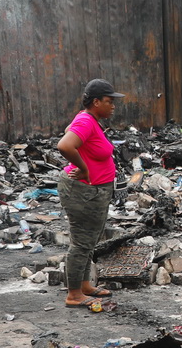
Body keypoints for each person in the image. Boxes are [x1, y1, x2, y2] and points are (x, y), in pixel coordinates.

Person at [57, 79, 124, 308]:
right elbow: (65, 145)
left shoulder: (88, 119)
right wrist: (84, 168)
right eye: (109, 101)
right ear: (96, 102)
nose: (113, 106)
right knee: (81, 243)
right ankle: (74, 294)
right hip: (85, 191)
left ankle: (84, 285)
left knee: (88, 240)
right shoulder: (86, 120)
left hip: (93, 191)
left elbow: (69, 131)